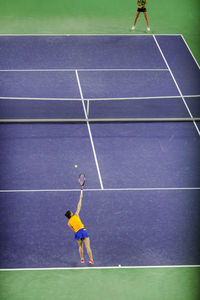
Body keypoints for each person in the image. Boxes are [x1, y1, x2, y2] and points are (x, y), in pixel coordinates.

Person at [65, 190, 94, 264]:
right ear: (71, 214)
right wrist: (80, 198)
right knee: (88, 247)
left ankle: (82, 259)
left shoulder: (68, 223)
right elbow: (79, 206)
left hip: (77, 233)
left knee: (80, 246)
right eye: (71, 212)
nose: (72, 212)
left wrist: (77, 231)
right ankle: (91, 260)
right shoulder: (76, 215)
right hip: (83, 231)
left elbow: (73, 229)